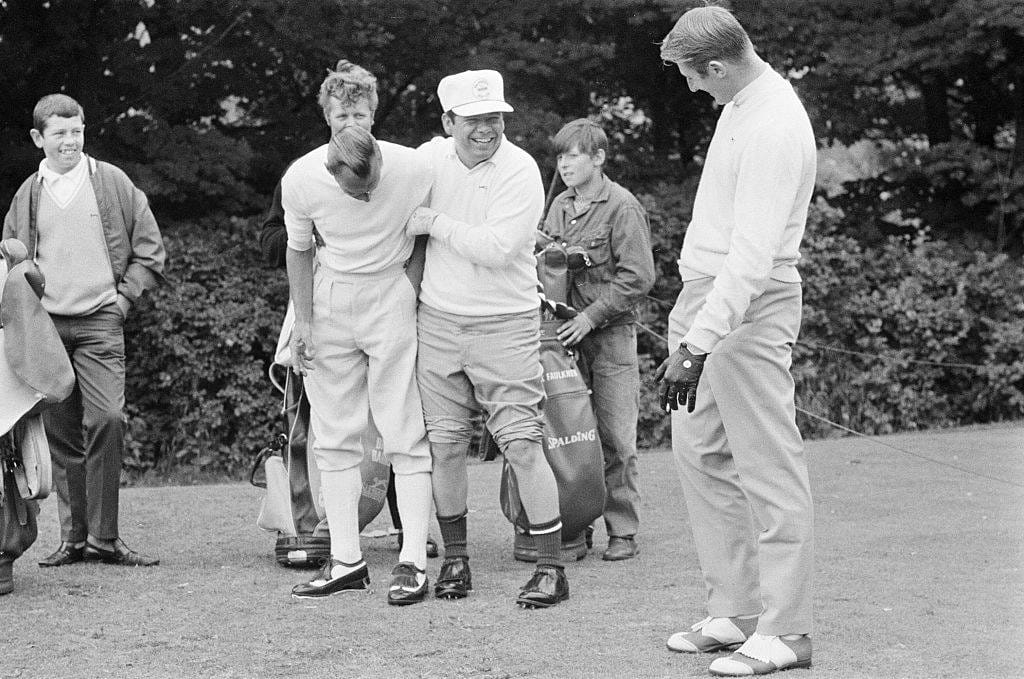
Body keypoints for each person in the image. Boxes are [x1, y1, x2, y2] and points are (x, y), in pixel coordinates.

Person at [656, 6, 817, 676]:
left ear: (717, 65)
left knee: (767, 463)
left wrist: (698, 342)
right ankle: (738, 607)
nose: (695, 90)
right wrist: (692, 325)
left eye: (696, 78)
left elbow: (751, 257)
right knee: (700, 454)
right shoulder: (737, 108)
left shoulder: (775, 122)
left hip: (748, 304)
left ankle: (787, 629)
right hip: (707, 301)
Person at [258, 64, 437, 560]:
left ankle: (414, 556)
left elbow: (425, 229)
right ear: (327, 117)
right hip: (330, 297)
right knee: (332, 436)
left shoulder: (414, 168)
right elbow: (293, 247)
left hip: (389, 293)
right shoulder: (301, 176)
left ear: (374, 114)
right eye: (341, 114)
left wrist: (409, 287)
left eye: (359, 112)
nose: (350, 121)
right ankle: (343, 557)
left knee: (403, 428)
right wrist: (307, 323)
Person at [406, 69, 569, 608]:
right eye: (474, 119)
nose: (487, 128)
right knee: (446, 446)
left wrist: (434, 221)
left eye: (495, 118)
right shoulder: (426, 159)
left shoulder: (520, 168)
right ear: (448, 120)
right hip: (438, 320)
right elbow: (373, 183)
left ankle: (550, 569)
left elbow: (500, 248)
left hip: (506, 320)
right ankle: (455, 560)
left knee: (520, 443)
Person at [3, 94, 166, 569]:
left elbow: (149, 248)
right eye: (60, 133)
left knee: (109, 419)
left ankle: (106, 538)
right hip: (46, 327)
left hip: (100, 321)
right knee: (61, 435)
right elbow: (13, 262)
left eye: (77, 131)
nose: (71, 141)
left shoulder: (112, 182)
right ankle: (73, 540)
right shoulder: (28, 193)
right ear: (39, 138)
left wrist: (123, 300)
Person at [540, 119, 655, 562]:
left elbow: (639, 276)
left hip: (609, 337)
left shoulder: (622, 207)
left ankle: (622, 530)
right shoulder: (559, 207)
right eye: (560, 156)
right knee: (572, 436)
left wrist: (590, 317)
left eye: (573, 155)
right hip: (564, 341)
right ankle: (576, 525)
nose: (564, 164)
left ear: (599, 158)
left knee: (614, 436)